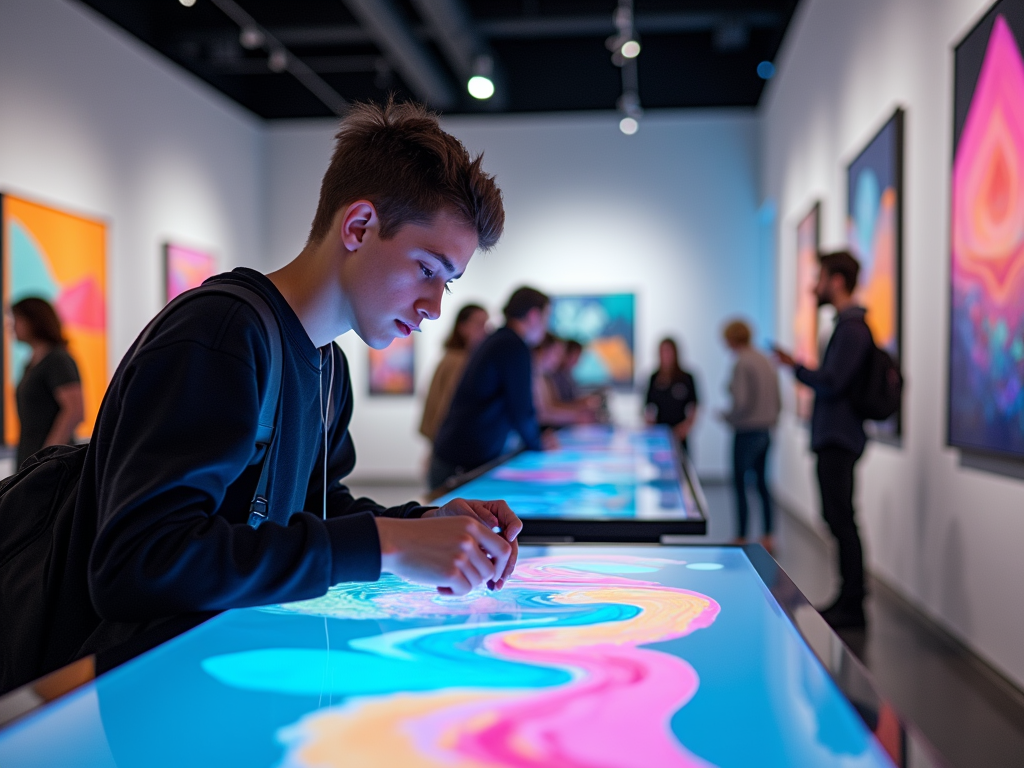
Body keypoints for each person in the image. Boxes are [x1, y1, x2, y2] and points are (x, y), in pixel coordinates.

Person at [76, 101, 523, 662]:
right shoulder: (220, 333)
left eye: (447, 284)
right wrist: (389, 545)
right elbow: (139, 562)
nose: (434, 307)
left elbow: (313, 510)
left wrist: (424, 523)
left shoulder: (328, 366)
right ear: (359, 226)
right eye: (426, 270)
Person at [774, 250, 873, 630]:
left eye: (820, 277)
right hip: (836, 436)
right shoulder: (848, 326)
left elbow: (832, 382)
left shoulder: (851, 329)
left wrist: (795, 368)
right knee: (837, 517)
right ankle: (848, 597)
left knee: (841, 518)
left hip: (839, 437)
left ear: (836, 281)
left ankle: (853, 603)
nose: (814, 285)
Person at [430, 287, 555, 489]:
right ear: (533, 315)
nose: (546, 325)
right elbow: (521, 410)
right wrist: (539, 444)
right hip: (461, 465)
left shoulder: (499, 340)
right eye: (547, 316)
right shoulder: (513, 346)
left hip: (454, 459)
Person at [718, 319, 781, 552]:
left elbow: (742, 402)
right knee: (763, 484)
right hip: (766, 430)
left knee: (739, 483)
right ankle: (768, 536)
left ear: (731, 338)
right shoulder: (765, 359)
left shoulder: (742, 362)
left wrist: (728, 417)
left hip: (746, 432)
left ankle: (742, 536)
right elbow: (778, 399)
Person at [9, 297, 85, 470]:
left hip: (49, 465)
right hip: (30, 458)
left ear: (34, 321)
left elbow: (74, 411)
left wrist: (46, 457)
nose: (12, 327)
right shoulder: (31, 363)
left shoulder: (57, 360)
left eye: (17, 320)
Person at [419, 303, 489, 443]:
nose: (486, 330)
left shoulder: (454, 357)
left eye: (486, 324)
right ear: (462, 327)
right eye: (479, 324)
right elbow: (447, 407)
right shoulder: (458, 362)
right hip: (452, 445)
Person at [645, 337, 699, 453]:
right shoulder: (654, 378)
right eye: (663, 352)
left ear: (675, 353)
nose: (666, 355)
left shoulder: (686, 378)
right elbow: (648, 407)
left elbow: (694, 405)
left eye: (668, 351)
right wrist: (652, 429)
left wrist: (685, 428)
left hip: (679, 432)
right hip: (659, 433)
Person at [533, 333, 597, 429]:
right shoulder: (535, 376)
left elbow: (550, 407)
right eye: (556, 353)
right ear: (543, 350)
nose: (559, 359)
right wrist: (576, 415)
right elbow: (543, 413)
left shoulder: (541, 376)